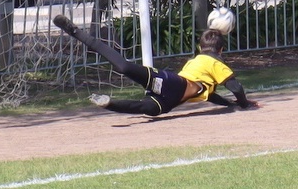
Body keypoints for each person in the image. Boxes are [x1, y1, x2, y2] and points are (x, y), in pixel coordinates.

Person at [53, 14, 259, 116]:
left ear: (200, 46)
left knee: (149, 108)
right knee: (125, 68)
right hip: (172, 85)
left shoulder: (198, 61)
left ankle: (108, 103)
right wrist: (243, 103)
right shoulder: (214, 62)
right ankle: (74, 31)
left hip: (173, 97)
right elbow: (236, 87)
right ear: (221, 50)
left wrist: (230, 104)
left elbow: (210, 94)